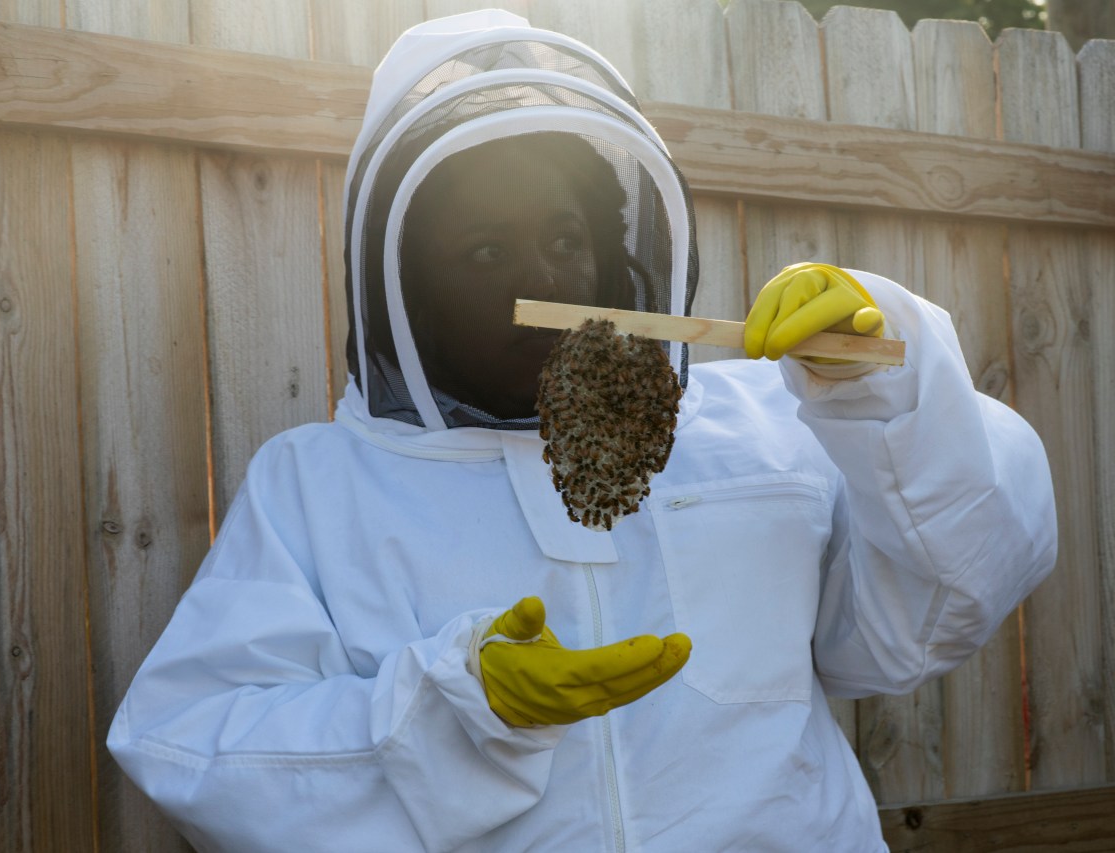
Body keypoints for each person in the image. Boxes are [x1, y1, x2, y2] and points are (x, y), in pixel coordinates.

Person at [108, 10, 1057, 852]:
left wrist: (885, 396)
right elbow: (191, 742)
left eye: (566, 238)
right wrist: (454, 712)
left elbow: (939, 606)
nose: (549, 277)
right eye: (486, 250)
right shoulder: (319, 486)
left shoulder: (758, 424)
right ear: (407, 285)